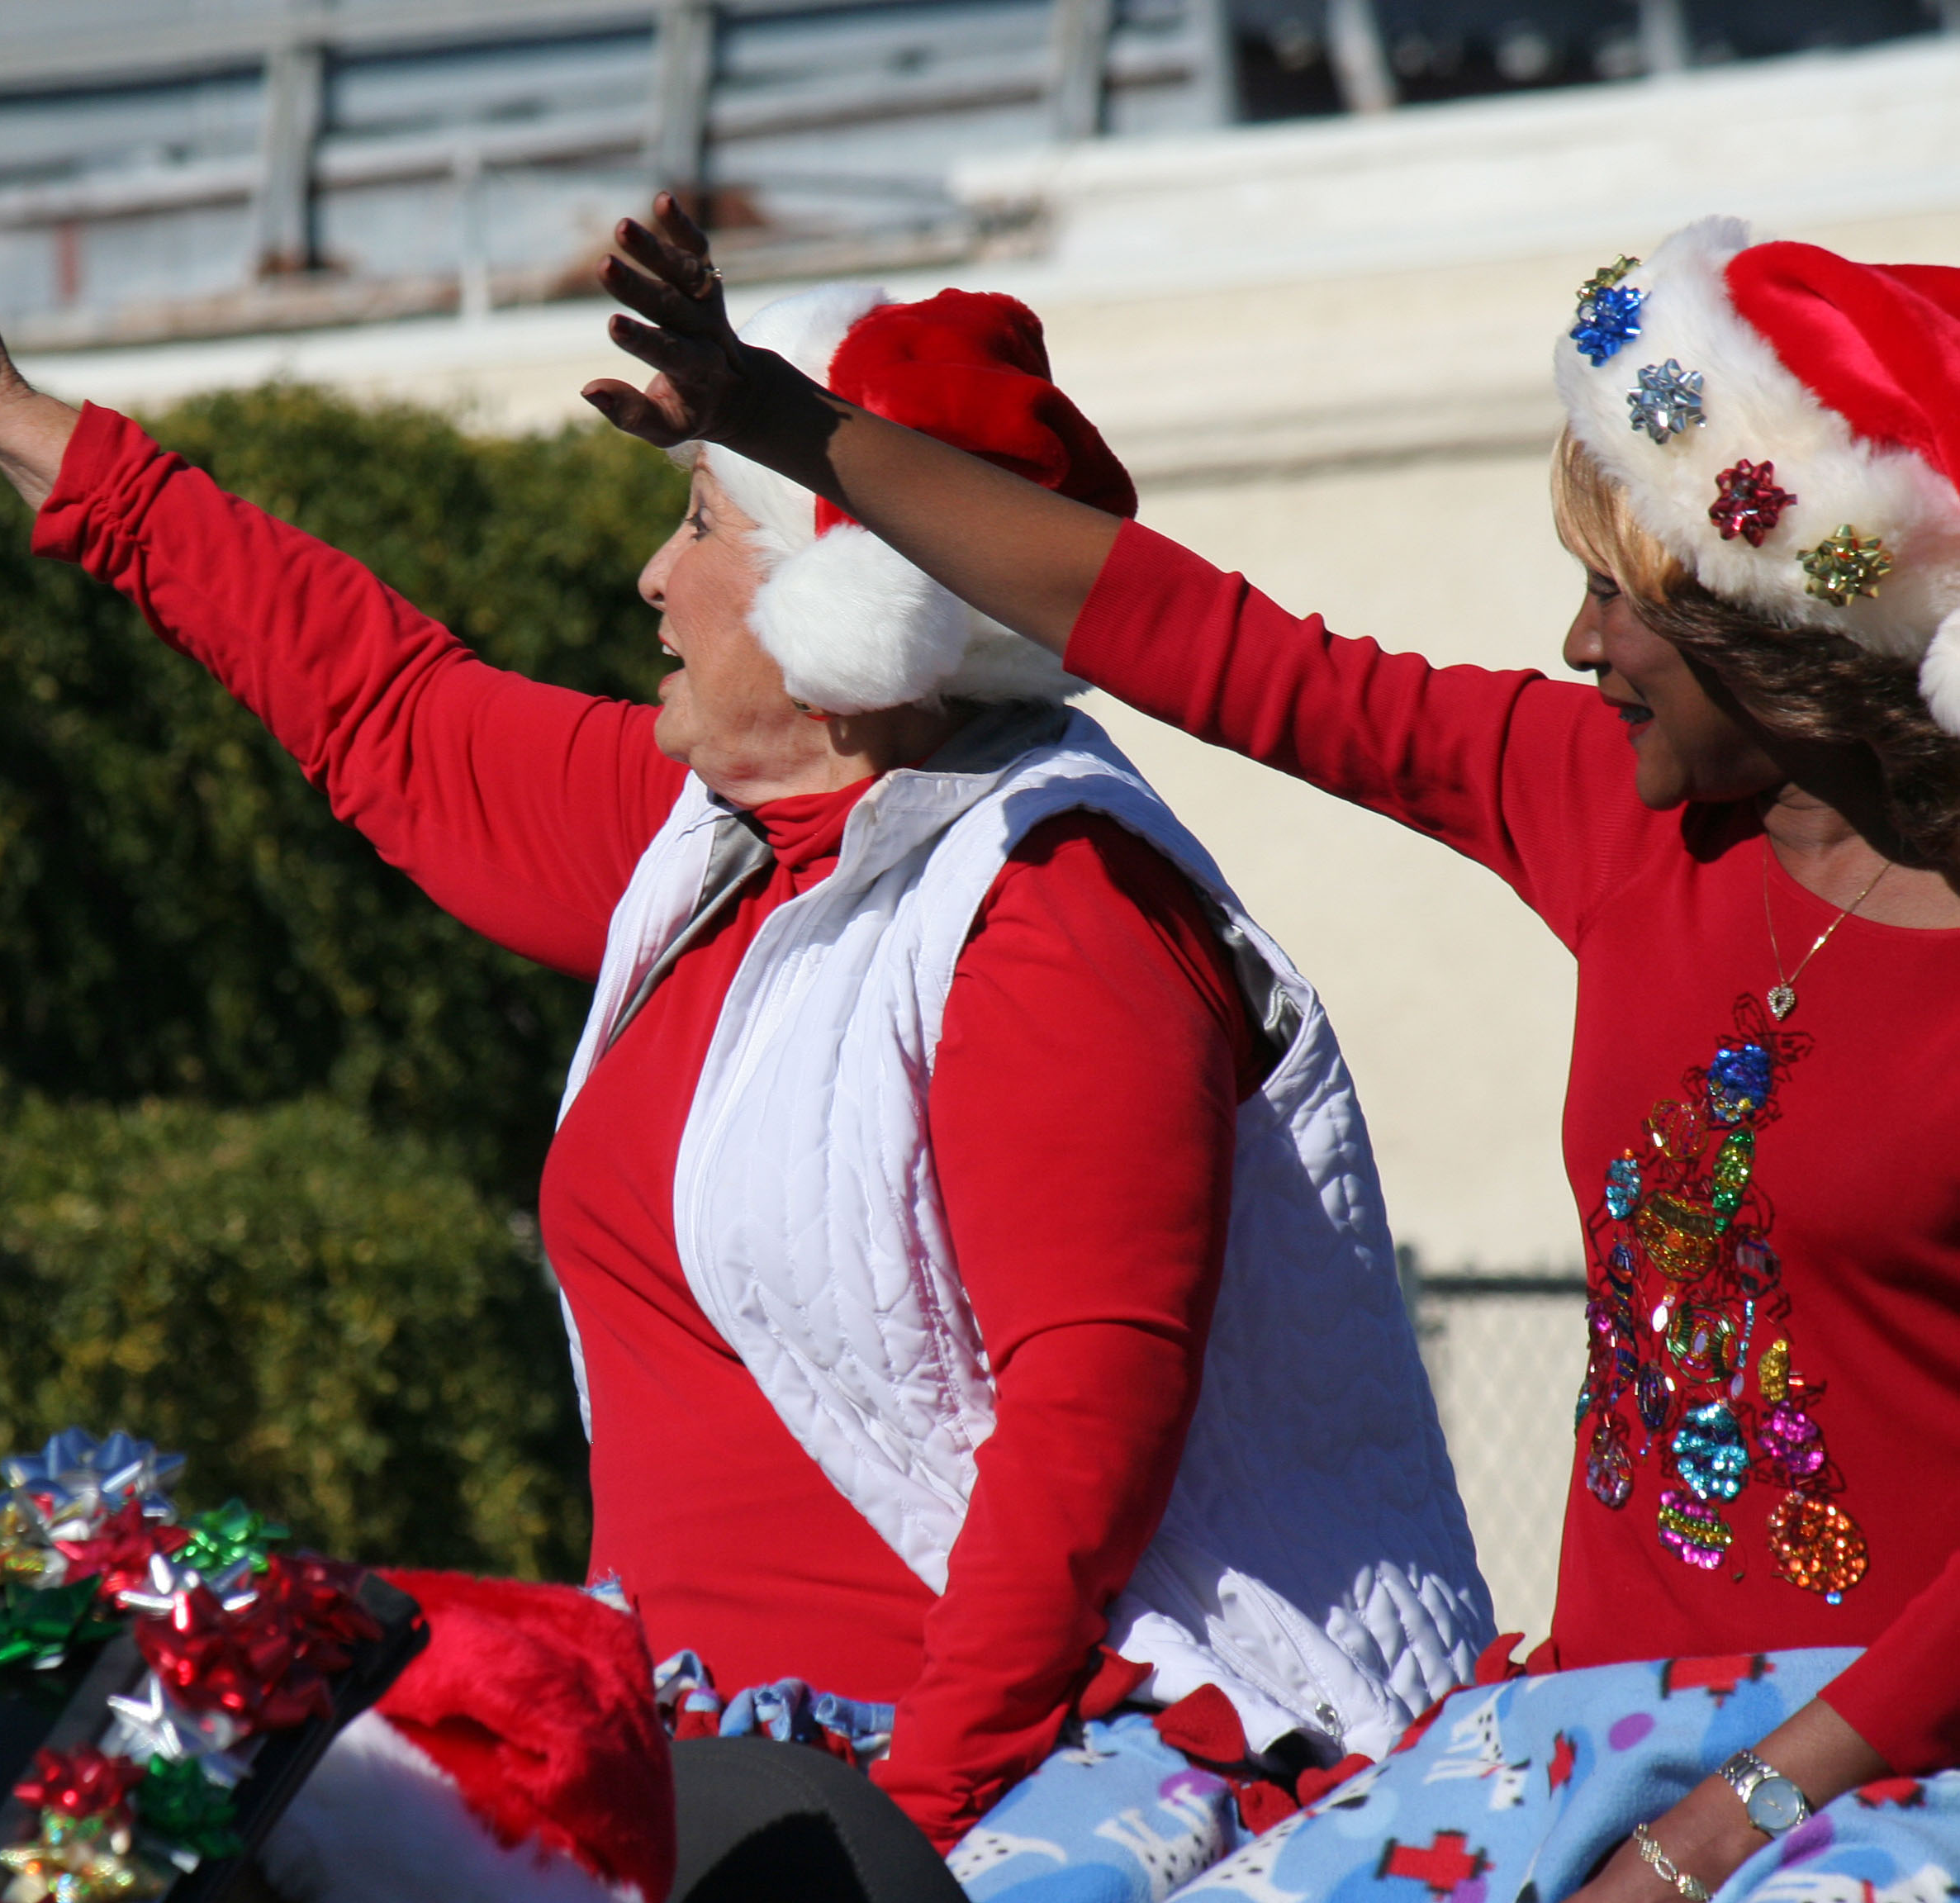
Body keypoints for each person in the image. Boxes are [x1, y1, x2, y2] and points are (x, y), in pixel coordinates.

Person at [0, 125, 1494, 1901]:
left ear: (843, 612)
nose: (651, 575)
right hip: (708, 1744)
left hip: (994, 1770)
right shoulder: (708, 844)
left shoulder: (1057, 905)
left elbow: (1083, 1425)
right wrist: (8, 412)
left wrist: (908, 1832)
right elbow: (381, 709)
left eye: (698, 523)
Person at [581, 200, 1960, 1903]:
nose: (1574, 648)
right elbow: (1192, 637)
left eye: (1621, 602)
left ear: (1784, 635)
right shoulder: (1609, 812)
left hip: (1886, 1777)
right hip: (1588, 1743)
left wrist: (1733, 1820)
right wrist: (775, 419)